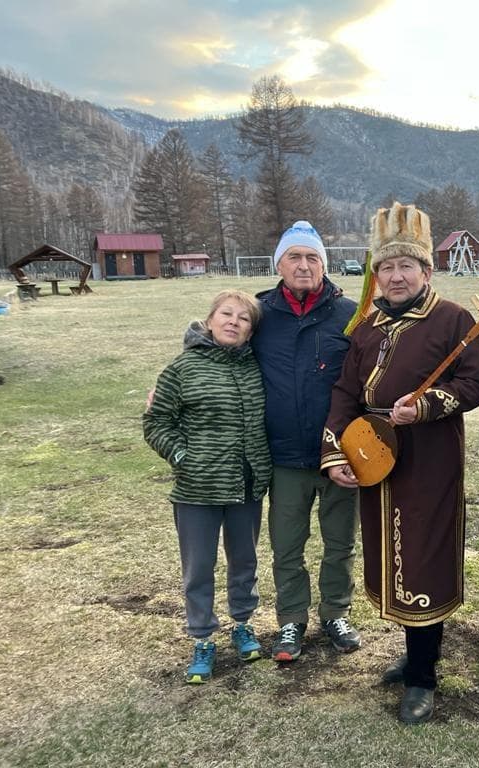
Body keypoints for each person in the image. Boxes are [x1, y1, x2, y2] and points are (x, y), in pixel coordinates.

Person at [321, 202, 479, 724]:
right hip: (374, 457)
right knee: (390, 558)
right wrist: (336, 453)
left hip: (429, 461)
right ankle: (416, 653)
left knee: (422, 559)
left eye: (406, 266)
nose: (395, 276)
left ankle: (423, 676)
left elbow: (476, 383)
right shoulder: (366, 326)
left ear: (426, 270)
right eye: (386, 267)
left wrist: (427, 404)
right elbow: (346, 391)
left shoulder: (452, 319)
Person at [143, 290, 272, 684]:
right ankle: (201, 637)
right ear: (210, 320)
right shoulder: (183, 368)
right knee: (199, 568)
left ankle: (243, 623)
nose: (234, 322)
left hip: (246, 486)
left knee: (244, 561)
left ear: (251, 331)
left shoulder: (256, 368)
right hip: (197, 489)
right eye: (226, 314)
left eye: (243, 318)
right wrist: (183, 458)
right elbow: (156, 422)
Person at [252, 221, 362, 661]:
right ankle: (291, 620)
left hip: (336, 453)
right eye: (294, 257)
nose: (303, 265)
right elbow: (221, 341)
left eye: (312, 257)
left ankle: (335, 610)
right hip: (283, 456)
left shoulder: (349, 314)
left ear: (324, 265)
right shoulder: (260, 313)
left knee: (340, 541)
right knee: (287, 544)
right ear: (279, 264)